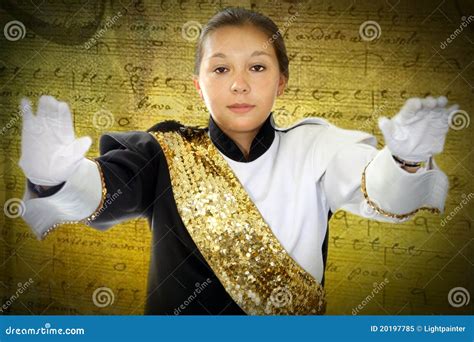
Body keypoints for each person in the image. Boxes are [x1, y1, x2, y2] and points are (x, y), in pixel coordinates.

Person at [18, 7, 458, 315]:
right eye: (222, 69)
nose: (240, 85)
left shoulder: (318, 147)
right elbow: (106, 188)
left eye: (259, 68)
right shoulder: (165, 151)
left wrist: (405, 159)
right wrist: (56, 176)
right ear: (198, 84)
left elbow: (375, 188)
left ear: (282, 81)